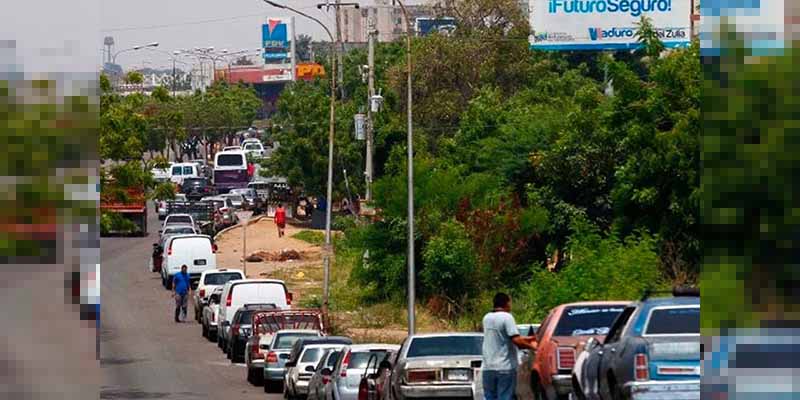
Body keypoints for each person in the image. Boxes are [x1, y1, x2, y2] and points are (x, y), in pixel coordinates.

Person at [482, 292, 537, 400]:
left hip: (488, 367)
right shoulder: (507, 317)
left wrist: (529, 338)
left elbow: (502, 337)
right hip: (505, 367)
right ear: (506, 303)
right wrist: (534, 348)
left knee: (490, 397)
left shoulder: (487, 318)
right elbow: (516, 341)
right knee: (505, 396)